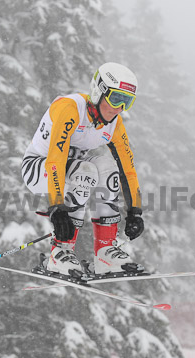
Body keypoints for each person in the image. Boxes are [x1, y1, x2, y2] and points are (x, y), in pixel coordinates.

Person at [22, 62, 145, 277]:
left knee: (108, 167)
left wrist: (135, 211)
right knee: (85, 171)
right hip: (38, 167)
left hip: (74, 168)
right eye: (116, 98)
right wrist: (57, 207)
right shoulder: (69, 109)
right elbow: (56, 161)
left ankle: (105, 252)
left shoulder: (114, 124)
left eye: (127, 102)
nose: (119, 108)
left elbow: (128, 170)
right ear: (99, 91)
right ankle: (60, 252)